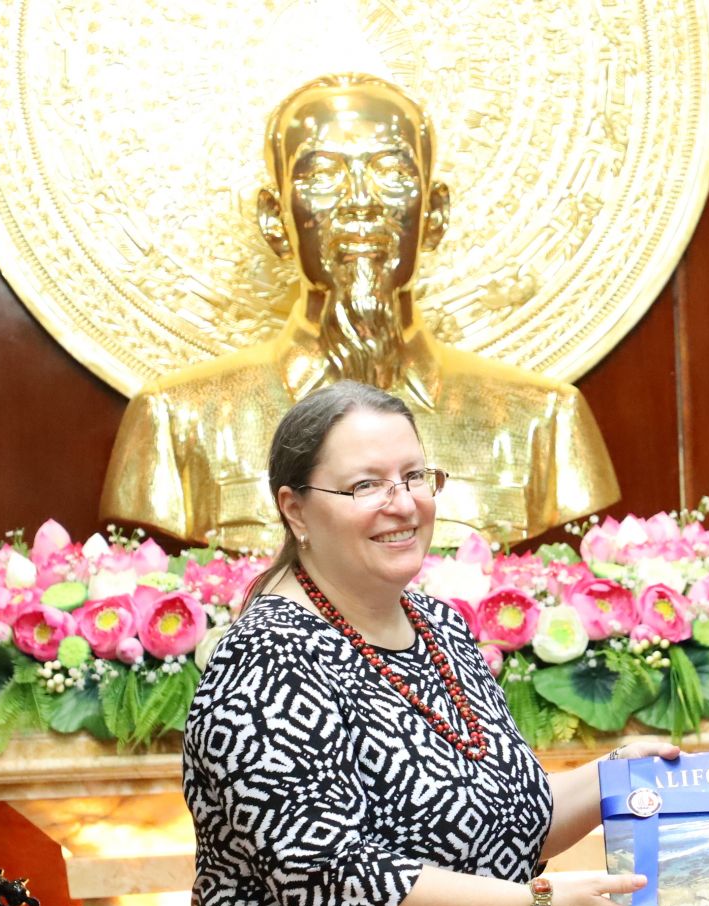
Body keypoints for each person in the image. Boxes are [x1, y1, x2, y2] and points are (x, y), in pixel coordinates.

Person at [160, 379, 673, 906]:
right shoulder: (264, 662)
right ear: (294, 508)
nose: (402, 504)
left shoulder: (441, 629)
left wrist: (620, 777)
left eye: (415, 477)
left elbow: (501, 820)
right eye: (365, 484)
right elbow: (337, 879)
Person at [101, 73, 619, 554]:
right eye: (322, 175)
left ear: (435, 214)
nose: (359, 202)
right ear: (274, 219)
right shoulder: (177, 422)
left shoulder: (545, 422)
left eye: (391, 173)